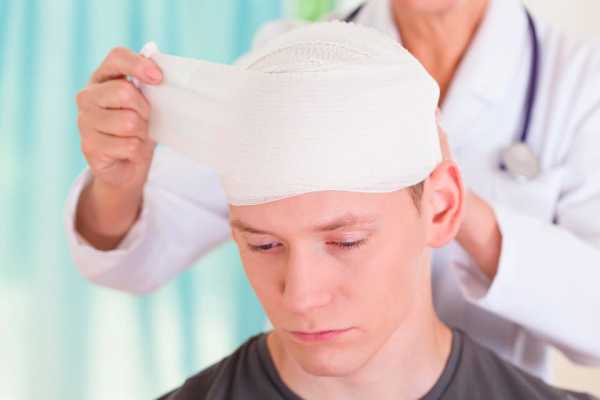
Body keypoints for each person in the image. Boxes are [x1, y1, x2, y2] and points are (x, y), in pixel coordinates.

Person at [68, 0, 600, 381]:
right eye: (266, 245)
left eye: (346, 240)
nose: (302, 295)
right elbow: (135, 257)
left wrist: (451, 204)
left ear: (445, 204)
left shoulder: (577, 81)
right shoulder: (292, 61)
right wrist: (119, 179)